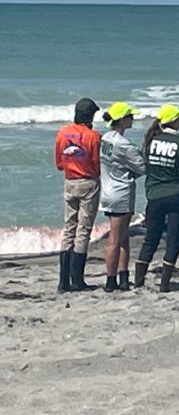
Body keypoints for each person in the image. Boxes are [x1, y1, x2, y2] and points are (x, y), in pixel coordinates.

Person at [135, 104, 179, 292]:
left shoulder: (150, 141)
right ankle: (165, 284)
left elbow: (145, 167)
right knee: (173, 240)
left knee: (150, 239)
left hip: (154, 195)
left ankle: (138, 282)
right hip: (176, 195)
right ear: (173, 122)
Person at [53, 98, 102, 292]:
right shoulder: (94, 136)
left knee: (69, 228)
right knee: (83, 230)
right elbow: (97, 165)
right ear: (90, 116)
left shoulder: (62, 133)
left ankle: (63, 281)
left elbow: (59, 164)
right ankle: (77, 279)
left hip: (69, 181)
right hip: (88, 182)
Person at [99, 102, 145, 292]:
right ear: (122, 120)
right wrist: (130, 173)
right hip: (121, 193)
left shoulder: (105, 138)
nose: (132, 119)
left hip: (107, 190)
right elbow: (142, 167)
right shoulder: (124, 144)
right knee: (115, 240)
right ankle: (111, 280)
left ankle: (123, 276)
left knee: (123, 237)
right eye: (130, 116)